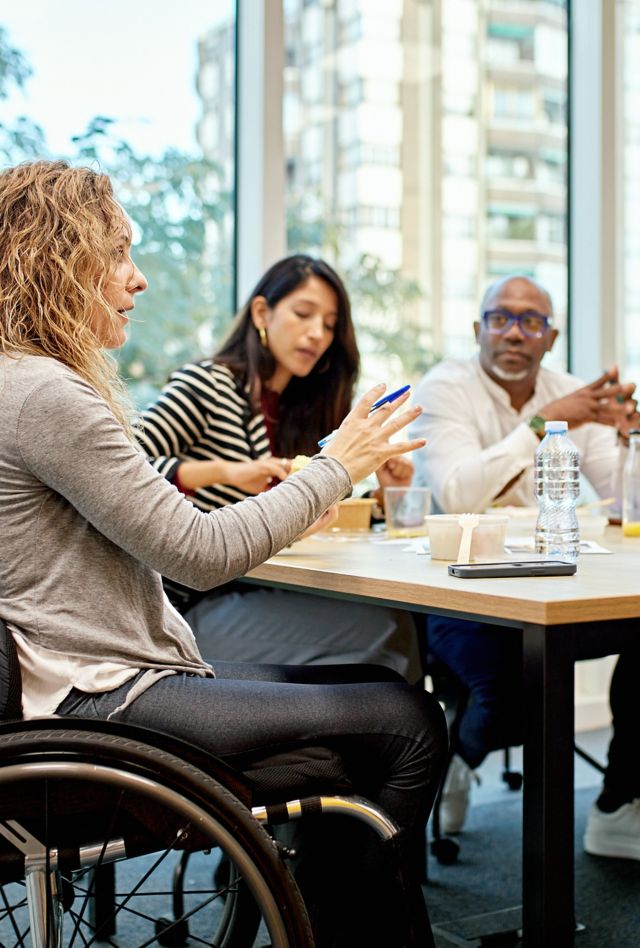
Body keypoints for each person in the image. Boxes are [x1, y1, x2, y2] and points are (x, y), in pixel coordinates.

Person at [0, 160, 447, 946]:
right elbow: (200, 555)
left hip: (69, 684)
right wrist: (337, 465)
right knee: (407, 718)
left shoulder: (19, 385)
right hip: (97, 697)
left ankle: (323, 909)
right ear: (56, 260)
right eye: (117, 254)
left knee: (372, 689)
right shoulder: (44, 395)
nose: (136, 280)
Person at [410, 273, 640, 860]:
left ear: (550, 334)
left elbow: (623, 502)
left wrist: (628, 441)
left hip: (559, 586)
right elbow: (460, 493)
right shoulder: (445, 388)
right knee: (513, 698)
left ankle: (618, 803)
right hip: (460, 592)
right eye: (501, 317)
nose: (514, 332)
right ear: (478, 328)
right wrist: (543, 424)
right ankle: (458, 756)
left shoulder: (570, 392)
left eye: (530, 320)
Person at [136, 254, 422, 681]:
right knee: (386, 632)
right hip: (181, 606)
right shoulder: (209, 384)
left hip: (261, 588)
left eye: (329, 325)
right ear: (262, 312)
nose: (316, 334)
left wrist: (384, 492)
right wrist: (225, 472)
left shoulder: (307, 410)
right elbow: (125, 466)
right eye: (304, 314)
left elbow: (329, 510)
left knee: (391, 620)